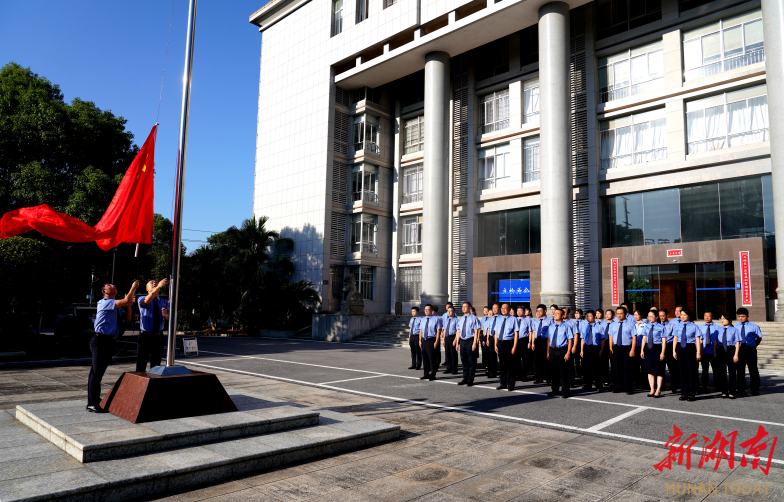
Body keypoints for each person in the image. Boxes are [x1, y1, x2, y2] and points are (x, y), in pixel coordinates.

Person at [87, 280, 139, 412]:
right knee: (96, 373)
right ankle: (92, 403)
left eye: (113, 285)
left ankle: (95, 399)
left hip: (109, 341)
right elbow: (126, 299)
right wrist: (132, 288)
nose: (113, 286)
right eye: (109, 286)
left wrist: (129, 305)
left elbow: (127, 318)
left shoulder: (115, 306)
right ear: (104, 292)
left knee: (99, 372)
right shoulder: (105, 302)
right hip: (100, 341)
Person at [136, 278, 171, 372]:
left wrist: (166, 315)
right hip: (145, 336)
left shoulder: (164, 302)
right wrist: (159, 285)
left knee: (156, 366)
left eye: (156, 282)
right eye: (151, 283)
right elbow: (146, 302)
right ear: (147, 289)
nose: (155, 283)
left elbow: (170, 319)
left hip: (158, 336)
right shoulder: (142, 298)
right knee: (141, 364)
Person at [673, 309, 701, 402]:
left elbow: (697, 340)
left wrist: (698, 352)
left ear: (689, 316)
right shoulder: (677, 326)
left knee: (691, 371)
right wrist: (674, 351)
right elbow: (675, 338)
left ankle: (691, 394)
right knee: (682, 371)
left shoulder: (694, 326)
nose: (682, 316)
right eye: (681, 315)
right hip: (680, 347)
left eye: (684, 315)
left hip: (690, 347)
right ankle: (684, 393)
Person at [608, 306, 636, 394]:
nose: (619, 315)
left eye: (621, 313)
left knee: (627, 369)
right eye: (617, 314)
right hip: (616, 348)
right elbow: (611, 337)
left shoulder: (631, 324)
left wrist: (632, 349)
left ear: (625, 314)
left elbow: (634, 337)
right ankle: (618, 386)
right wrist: (610, 348)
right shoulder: (613, 324)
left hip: (626, 348)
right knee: (617, 368)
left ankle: (629, 388)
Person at [547, 308, 574, 398]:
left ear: (563, 316)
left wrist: (568, 353)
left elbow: (570, 340)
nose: (555, 315)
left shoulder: (566, 326)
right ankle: (554, 390)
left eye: (557, 313)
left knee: (563, 372)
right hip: (552, 351)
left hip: (562, 350)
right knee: (553, 372)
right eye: (554, 313)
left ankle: (565, 390)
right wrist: (548, 352)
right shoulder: (551, 327)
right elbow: (549, 340)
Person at [736, 307, 763, 396]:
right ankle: (741, 388)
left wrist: (753, 345)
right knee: (740, 370)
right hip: (740, 350)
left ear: (747, 316)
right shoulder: (735, 326)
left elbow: (759, 338)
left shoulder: (754, 326)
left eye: (743, 316)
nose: (741, 318)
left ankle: (755, 389)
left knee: (753, 369)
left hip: (750, 349)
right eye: (739, 316)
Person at [715, 313, 742, 399]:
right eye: (721, 318)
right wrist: (715, 352)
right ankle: (724, 391)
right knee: (722, 372)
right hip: (721, 350)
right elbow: (716, 341)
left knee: (732, 372)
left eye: (724, 318)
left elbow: (737, 342)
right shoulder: (718, 329)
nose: (722, 320)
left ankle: (731, 392)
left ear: (730, 320)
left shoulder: (735, 330)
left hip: (731, 350)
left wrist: (736, 354)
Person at [640, 311, 666, 398]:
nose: (649, 318)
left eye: (651, 316)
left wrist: (662, 352)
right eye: (648, 316)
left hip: (657, 348)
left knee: (659, 371)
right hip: (648, 349)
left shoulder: (661, 327)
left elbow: (664, 341)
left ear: (656, 317)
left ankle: (658, 390)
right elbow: (644, 339)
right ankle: (652, 389)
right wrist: (642, 350)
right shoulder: (646, 326)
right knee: (649, 370)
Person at [494, 303, 518, 391]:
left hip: (509, 343)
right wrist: (495, 344)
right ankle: (503, 383)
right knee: (502, 364)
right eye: (502, 308)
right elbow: (496, 332)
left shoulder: (513, 319)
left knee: (510, 365)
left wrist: (514, 346)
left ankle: (511, 384)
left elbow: (516, 334)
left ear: (509, 309)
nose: (503, 309)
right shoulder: (499, 319)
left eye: (505, 308)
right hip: (500, 343)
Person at [456, 302, 481, 386]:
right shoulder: (461, 318)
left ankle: (471, 379)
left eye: (465, 307)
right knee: (464, 361)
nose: (463, 308)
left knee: (471, 361)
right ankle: (465, 378)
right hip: (462, 341)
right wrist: (457, 343)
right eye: (462, 307)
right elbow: (458, 330)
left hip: (470, 341)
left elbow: (476, 331)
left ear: (470, 308)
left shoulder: (474, 318)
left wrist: (474, 343)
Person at [580, 310, 605, 391]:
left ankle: (599, 385)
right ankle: (588, 384)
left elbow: (603, 340)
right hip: (586, 348)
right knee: (587, 368)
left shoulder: (599, 327)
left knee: (596, 368)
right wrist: (581, 350)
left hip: (595, 348)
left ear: (594, 317)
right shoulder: (584, 327)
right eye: (587, 316)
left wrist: (601, 350)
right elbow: (582, 339)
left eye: (590, 316)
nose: (588, 317)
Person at [418, 304, 443, 381]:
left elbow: (438, 331)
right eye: (425, 309)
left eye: (428, 309)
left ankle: (433, 374)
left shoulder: (436, 319)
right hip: (424, 340)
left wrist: (436, 341)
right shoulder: (423, 319)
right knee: (425, 358)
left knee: (432, 358)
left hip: (431, 340)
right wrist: (420, 340)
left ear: (432, 311)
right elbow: (421, 330)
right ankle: (426, 374)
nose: (426, 311)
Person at [698, 310, 719, 394]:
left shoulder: (717, 327)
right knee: (704, 370)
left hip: (714, 352)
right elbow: (699, 340)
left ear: (712, 317)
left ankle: (718, 386)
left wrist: (716, 352)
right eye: (705, 316)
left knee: (716, 370)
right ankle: (704, 386)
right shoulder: (700, 327)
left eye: (709, 316)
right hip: (704, 352)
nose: (706, 318)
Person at [659, 309, 680, 394]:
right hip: (660, 348)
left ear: (667, 315)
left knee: (672, 368)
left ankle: (674, 386)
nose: (661, 317)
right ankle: (662, 386)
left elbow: (675, 337)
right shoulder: (657, 325)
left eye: (663, 315)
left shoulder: (672, 325)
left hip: (669, 347)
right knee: (660, 368)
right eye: (660, 316)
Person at [531, 304, 550, 385]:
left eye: (540, 311)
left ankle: (548, 378)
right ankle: (539, 377)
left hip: (545, 341)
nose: (538, 312)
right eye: (537, 311)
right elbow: (534, 332)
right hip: (537, 341)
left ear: (545, 311)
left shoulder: (549, 320)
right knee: (537, 360)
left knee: (546, 360)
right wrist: (532, 343)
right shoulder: (536, 321)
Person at [482, 304, 500, 377]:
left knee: (501, 356)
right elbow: (488, 329)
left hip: (499, 338)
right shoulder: (491, 318)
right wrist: (487, 339)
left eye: (496, 308)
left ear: (499, 309)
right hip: (491, 338)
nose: (494, 309)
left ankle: (503, 372)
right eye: (493, 308)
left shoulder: (501, 318)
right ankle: (493, 371)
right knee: (492, 356)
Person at [632, 310, 647, 391]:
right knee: (635, 367)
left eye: (637, 315)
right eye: (634, 315)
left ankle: (645, 384)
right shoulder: (632, 325)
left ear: (641, 315)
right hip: (634, 348)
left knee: (644, 366)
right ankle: (636, 383)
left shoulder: (645, 325)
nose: (636, 316)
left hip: (642, 348)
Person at [443, 305, 459, 375]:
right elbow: (444, 330)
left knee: (453, 354)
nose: (449, 312)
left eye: (450, 311)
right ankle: (448, 368)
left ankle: (454, 368)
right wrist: (443, 340)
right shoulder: (446, 320)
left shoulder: (456, 320)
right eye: (448, 311)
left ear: (454, 312)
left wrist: (455, 340)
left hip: (453, 337)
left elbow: (457, 331)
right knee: (447, 353)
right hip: (447, 337)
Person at [515, 306, 530, 382]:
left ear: (524, 312)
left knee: (525, 359)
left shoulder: (527, 320)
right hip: (516, 341)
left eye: (521, 310)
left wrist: (530, 342)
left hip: (524, 340)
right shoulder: (515, 320)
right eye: (518, 310)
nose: (519, 312)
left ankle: (524, 376)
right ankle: (518, 375)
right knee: (517, 359)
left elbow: (530, 332)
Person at [602, 309, 615, 388]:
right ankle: (606, 380)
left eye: (609, 314)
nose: (607, 315)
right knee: (604, 363)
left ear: (613, 316)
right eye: (606, 314)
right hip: (604, 344)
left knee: (613, 363)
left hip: (613, 344)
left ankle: (613, 380)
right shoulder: (602, 324)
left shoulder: (615, 324)